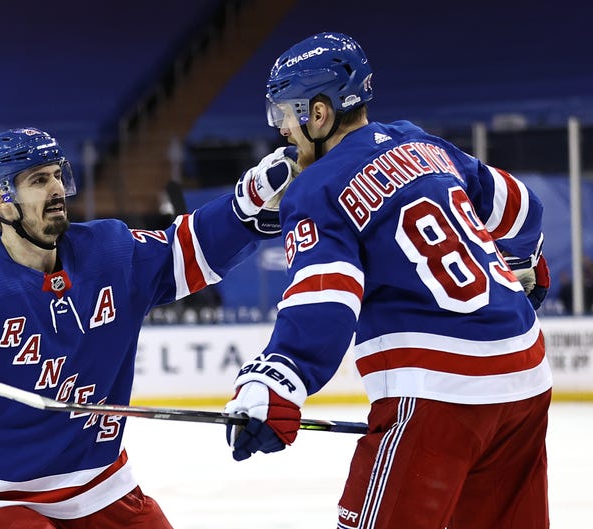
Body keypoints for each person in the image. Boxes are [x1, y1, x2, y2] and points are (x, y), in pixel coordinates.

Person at [0, 127, 298, 528]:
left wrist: (247, 205)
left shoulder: (111, 252)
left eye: (58, 174)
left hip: (101, 483)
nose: (58, 188)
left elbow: (189, 248)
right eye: (38, 180)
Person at [223, 32, 552, 529]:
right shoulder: (420, 141)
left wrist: (277, 380)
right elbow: (518, 203)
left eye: (285, 113)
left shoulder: (317, 188)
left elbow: (324, 298)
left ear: (319, 113)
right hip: (527, 376)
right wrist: (523, 262)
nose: (281, 129)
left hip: (438, 394)